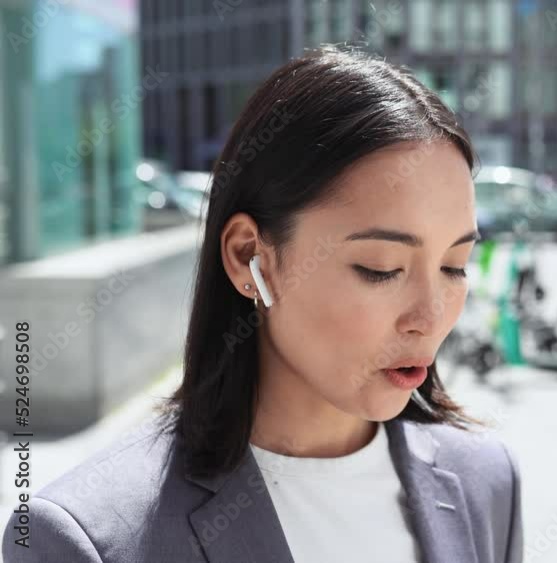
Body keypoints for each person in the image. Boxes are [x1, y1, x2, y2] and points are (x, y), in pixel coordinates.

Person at [2, 46, 523, 563]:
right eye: (381, 268)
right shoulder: (85, 538)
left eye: (455, 265)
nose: (431, 317)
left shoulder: (487, 483)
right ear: (249, 256)